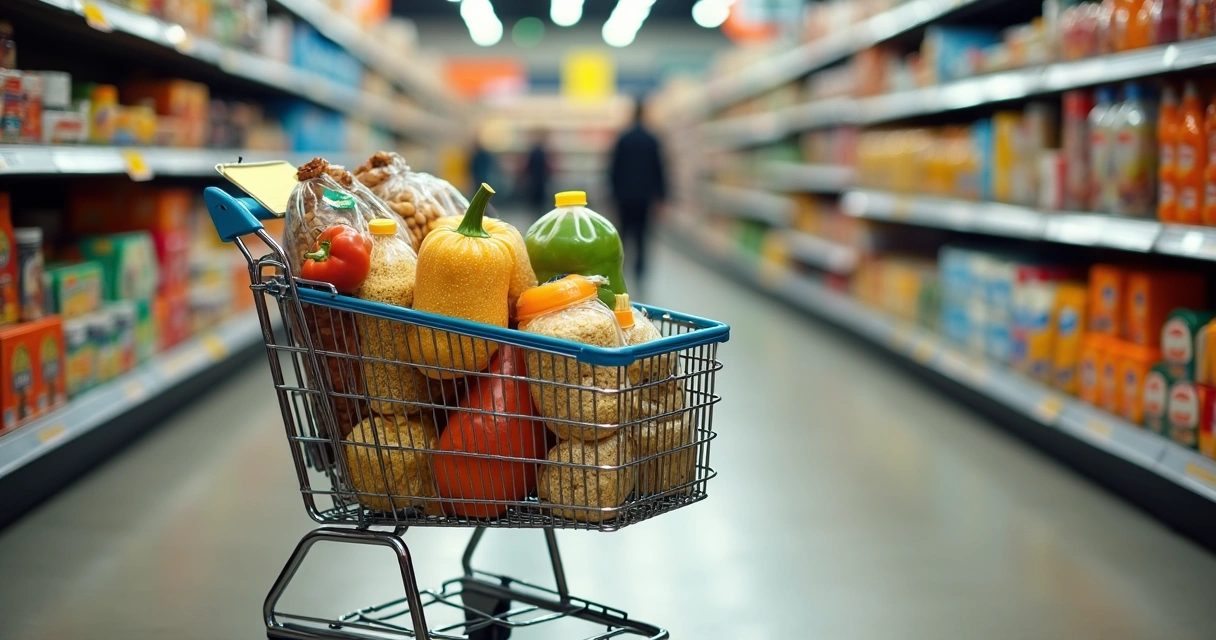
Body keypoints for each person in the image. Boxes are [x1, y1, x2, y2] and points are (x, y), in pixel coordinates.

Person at [609, 98, 666, 285]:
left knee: (623, 234)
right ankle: (640, 272)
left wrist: (612, 194)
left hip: (624, 196)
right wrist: (661, 196)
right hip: (645, 197)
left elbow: (614, 168)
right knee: (642, 235)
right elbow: (659, 169)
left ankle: (621, 271)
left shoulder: (623, 138)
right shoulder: (652, 139)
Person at [523, 130, 552, 211]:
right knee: (539, 200)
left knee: (535, 200)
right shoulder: (542, 152)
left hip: (534, 179)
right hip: (540, 180)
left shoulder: (534, 151)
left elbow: (528, 166)